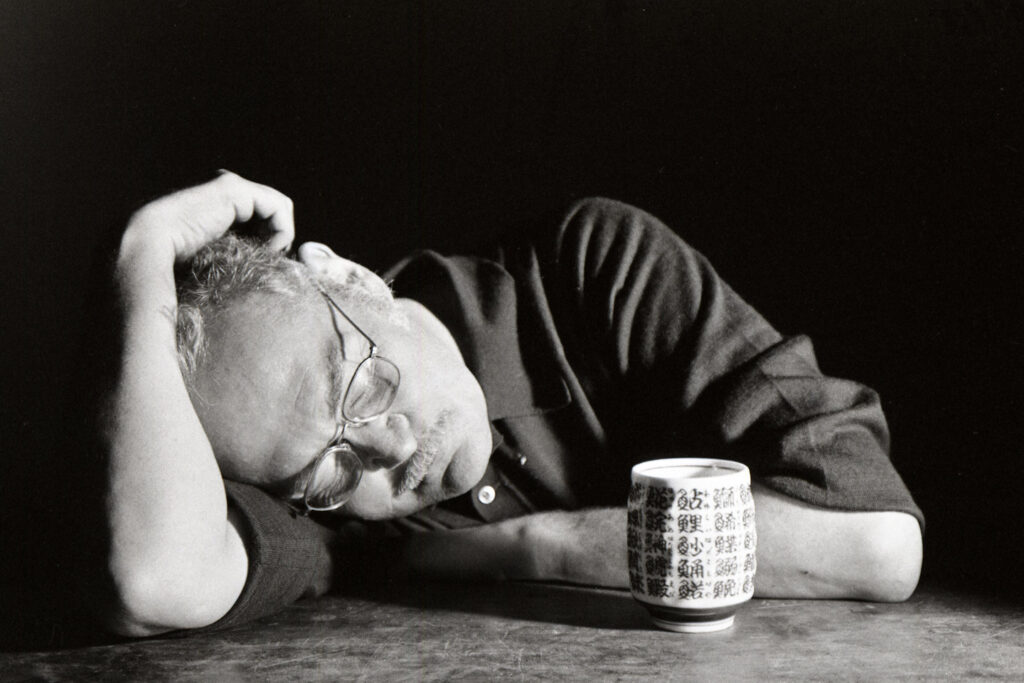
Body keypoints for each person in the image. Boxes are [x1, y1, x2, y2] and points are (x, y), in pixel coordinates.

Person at [98, 172, 923, 637]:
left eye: (360, 378)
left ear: (350, 277)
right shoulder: (326, 514)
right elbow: (154, 578)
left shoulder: (593, 270)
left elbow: (879, 541)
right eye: (330, 467)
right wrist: (141, 264)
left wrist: (537, 544)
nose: (381, 449)